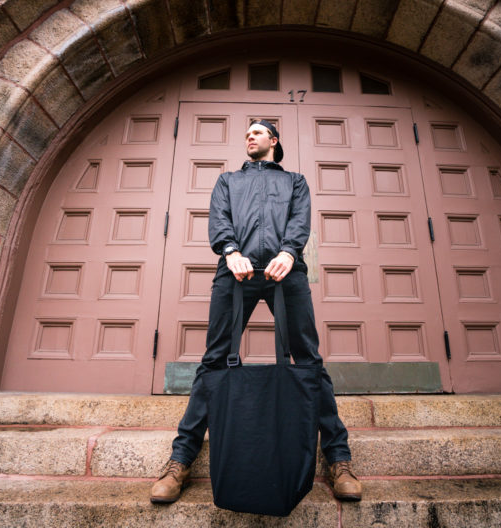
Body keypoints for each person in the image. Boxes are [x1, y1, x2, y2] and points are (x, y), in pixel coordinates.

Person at [150, 119, 361, 505]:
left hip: (286, 272)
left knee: (310, 361)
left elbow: (300, 221)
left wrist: (288, 251)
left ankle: (338, 458)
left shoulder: (294, 181)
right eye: (246, 133)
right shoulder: (228, 181)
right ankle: (180, 460)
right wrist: (230, 251)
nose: (249, 136)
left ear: (274, 141)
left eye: (257, 132)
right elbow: (219, 220)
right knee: (213, 361)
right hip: (236, 273)